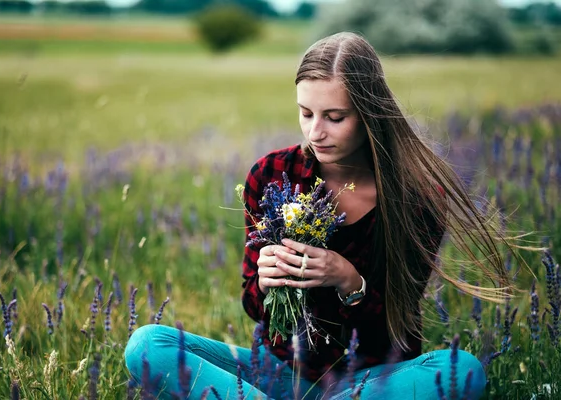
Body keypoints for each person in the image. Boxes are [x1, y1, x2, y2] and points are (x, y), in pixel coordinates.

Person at [125, 32, 518, 399]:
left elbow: (399, 328)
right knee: (148, 345)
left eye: (334, 117)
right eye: (306, 113)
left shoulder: (417, 196)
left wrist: (350, 281)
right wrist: (264, 282)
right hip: (276, 373)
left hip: (370, 381)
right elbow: (254, 309)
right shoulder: (272, 174)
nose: (315, 132)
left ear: (369, 114)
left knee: (464, 370)